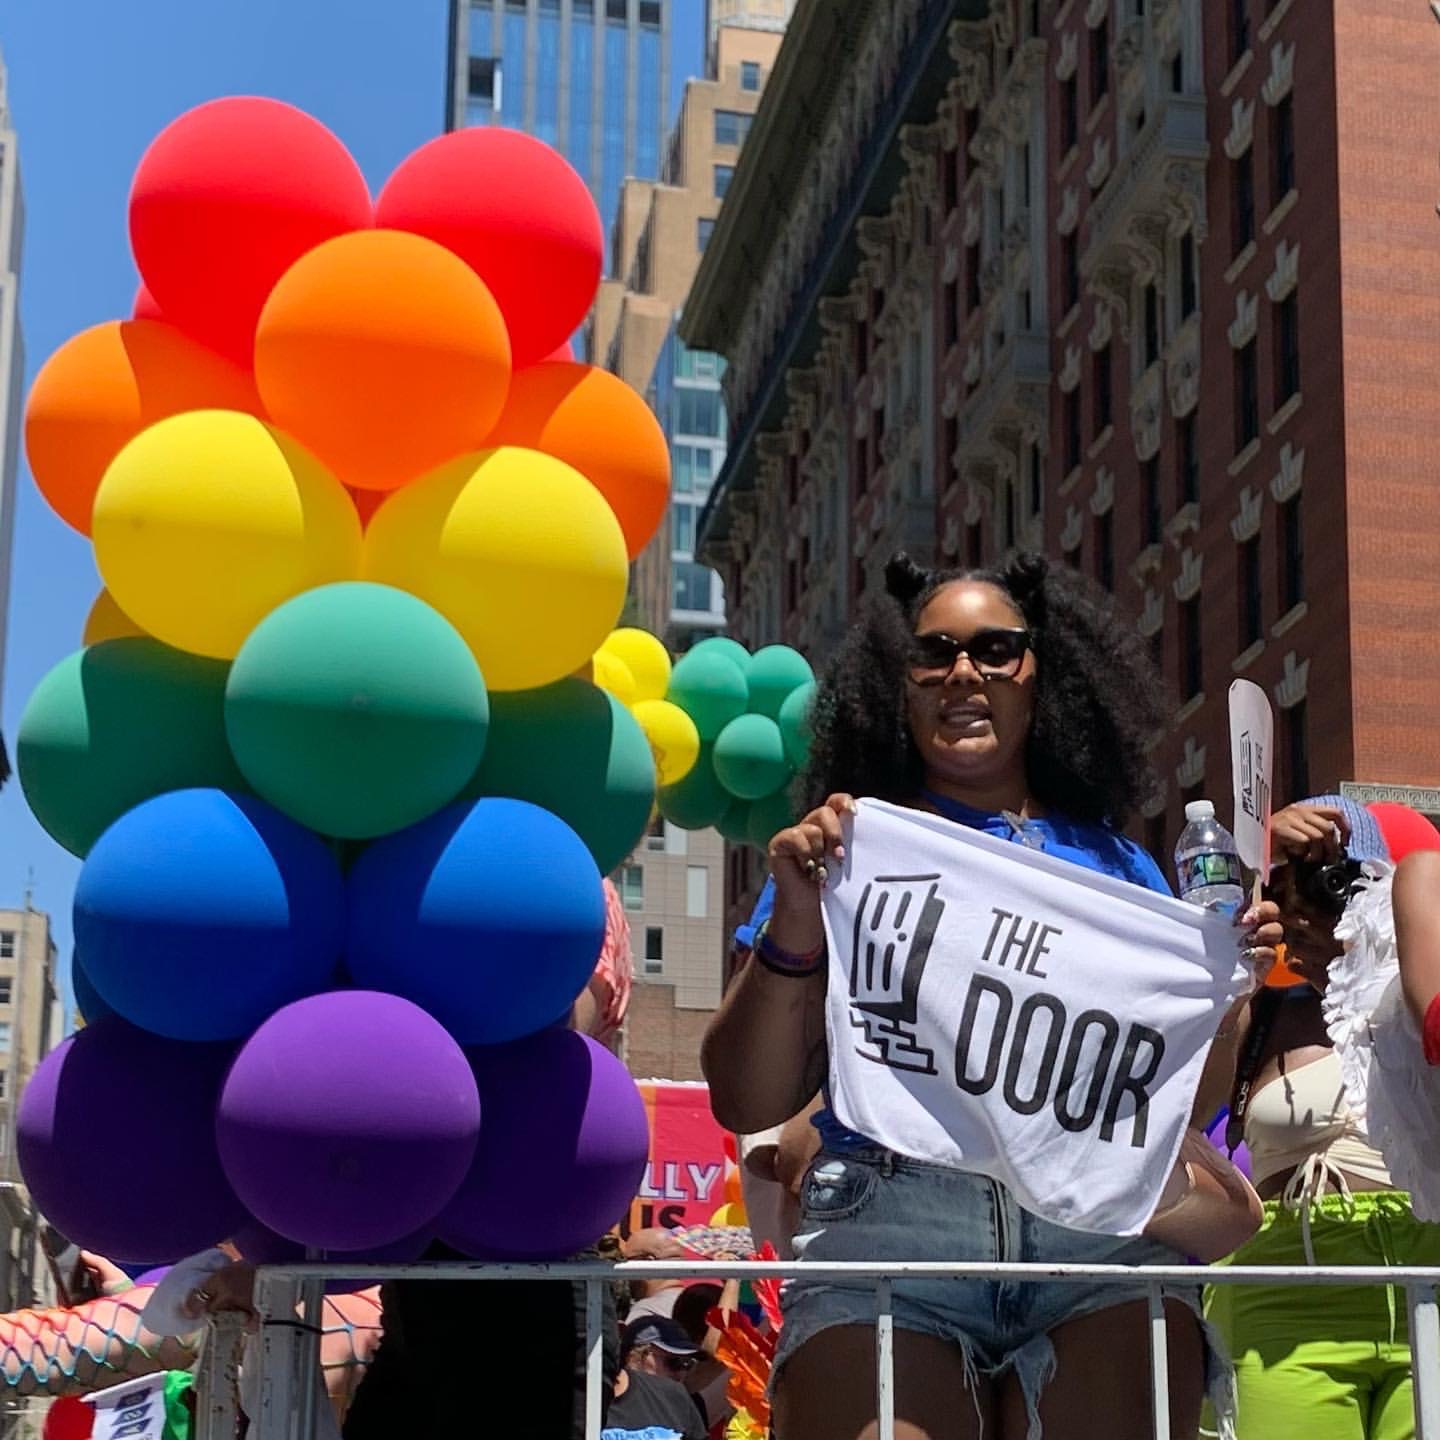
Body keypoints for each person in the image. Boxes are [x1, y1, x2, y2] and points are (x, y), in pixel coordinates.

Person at [702, 552, 1279, 1440]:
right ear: (896, 685)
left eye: (996, 649)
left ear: (1041, 676)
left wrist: (1229, 994)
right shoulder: (851, 848)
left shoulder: (1119, 867)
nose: (964, 672)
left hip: (1095, 1246)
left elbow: (1165, 1106)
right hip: (894, 1237)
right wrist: (797, 914)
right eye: (933, 653)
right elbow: (746, 1098)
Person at [1205, 797, 1440, 1440]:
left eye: (1334, 883)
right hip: (1288, 1292)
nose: (1306, 912)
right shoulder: (1261, 1014)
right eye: (1288, 889)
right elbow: (1181, 1100)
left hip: (1429, 1267)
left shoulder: (1413, 994)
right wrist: (1247, 869)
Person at [604, 1317, 708, 1440]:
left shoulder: (684, 1400)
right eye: (674, 1362)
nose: (681, 1373)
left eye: (687, 1364)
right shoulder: (593, 1401)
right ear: (634, 1356)